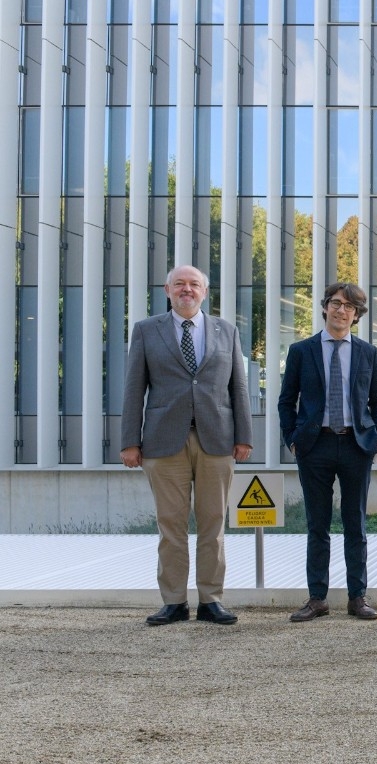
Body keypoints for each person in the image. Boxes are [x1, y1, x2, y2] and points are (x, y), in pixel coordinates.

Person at [121, 265, 252, 627]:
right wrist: (130, 442)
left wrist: (244, 437)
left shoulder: (227, 330)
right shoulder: (147, 331)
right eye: (179, 284)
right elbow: (134, 389)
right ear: (167, 290)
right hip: (163, 443)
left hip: (218, 440)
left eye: (194, 284)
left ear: (204, 292)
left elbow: (238, 388)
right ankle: (174, 601)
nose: (187, 290)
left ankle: (211, 600)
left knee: (214, 523)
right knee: (171, 525)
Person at [278, 283, 377, 623]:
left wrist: (374, 439)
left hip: (356, 446)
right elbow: (286, 401)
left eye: (349, 307)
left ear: (356, 315)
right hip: (315, 445)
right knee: (318, 525)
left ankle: (358, 597)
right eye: (336, 303)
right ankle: (317, 598)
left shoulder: (368, 353)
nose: (341, 310)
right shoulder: (302, 350)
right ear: (325, 307)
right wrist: (293, 441)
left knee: (356, 523)